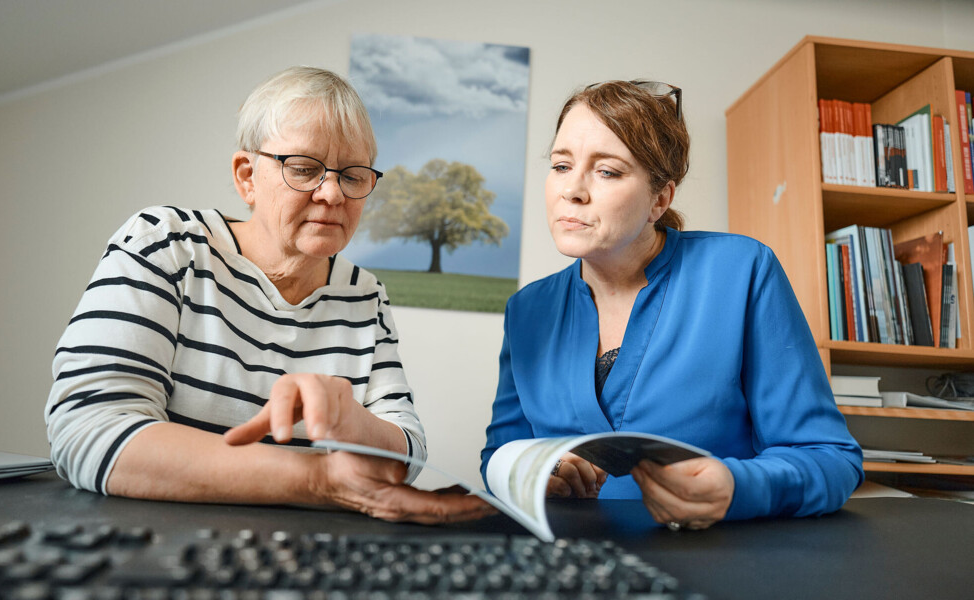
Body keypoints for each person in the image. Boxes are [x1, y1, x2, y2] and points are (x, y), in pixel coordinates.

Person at [46, 66, 493, 524]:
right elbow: (90, 429)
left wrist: (355, 424)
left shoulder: (365, 294)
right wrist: (318, 478)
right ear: (247, 177)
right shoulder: (165, 243)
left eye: (354, 175)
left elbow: (409, 453)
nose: (333, 193)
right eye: (304, 169)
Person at [481, 80, 863, 531]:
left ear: (659, 199)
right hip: (566, 563)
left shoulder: (742, 270)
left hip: (711, 562)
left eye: (607, 171)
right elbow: (500, 458)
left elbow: (831, 459)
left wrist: (736, 487)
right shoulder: (527, 310)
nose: (573, 191)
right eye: (562, 165)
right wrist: (538, 474)